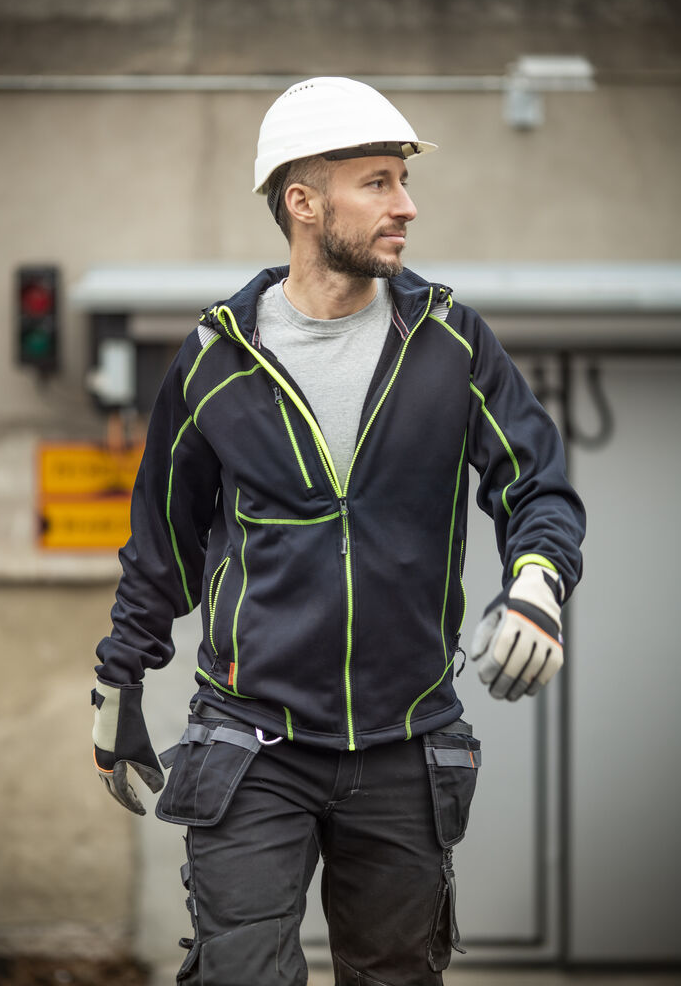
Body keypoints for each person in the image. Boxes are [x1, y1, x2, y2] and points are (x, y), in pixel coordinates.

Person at [91, 77, 585, 986]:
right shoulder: (215, 361)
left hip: (405, 742)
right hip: (250, 741)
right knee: (242, 974)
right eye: (378, 182)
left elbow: (536, 482)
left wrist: (539, 582)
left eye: (404, 181)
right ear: (304, 202)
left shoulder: (452, 343)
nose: (407, 206)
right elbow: (163, 547)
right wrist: (119, 682)